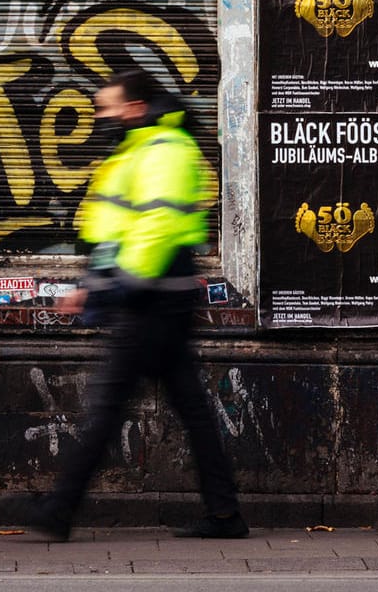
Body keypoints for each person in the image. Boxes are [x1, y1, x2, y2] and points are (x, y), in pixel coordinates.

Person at [29, 69, 245, 541]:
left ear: (135, 107)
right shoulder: (141, 148)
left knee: (106, 406)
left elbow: (155, 229)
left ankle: (58, 510)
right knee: (191, 409)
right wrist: (94, 282)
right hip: (157, 297)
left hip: (151, 300)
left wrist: (113, 287)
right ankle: (225, 513)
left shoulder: (163, 150)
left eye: (108, 107)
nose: (100, 116)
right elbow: (118, 229)